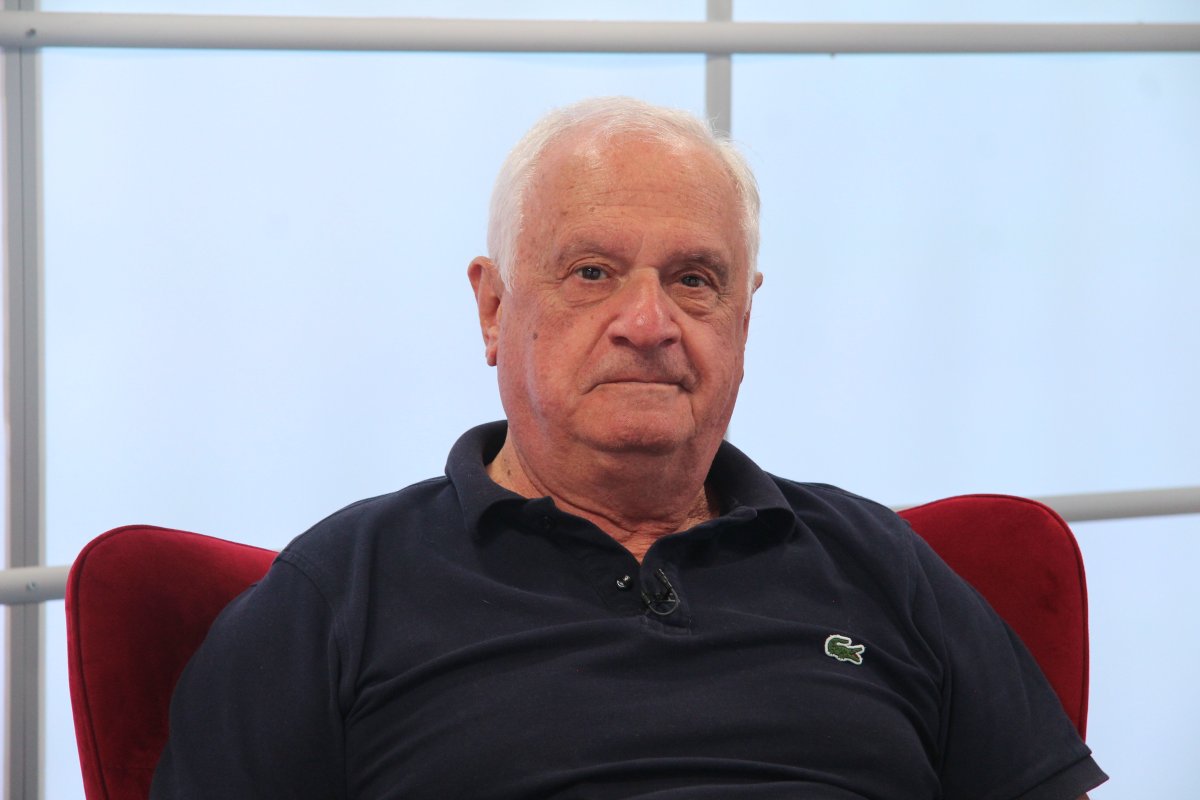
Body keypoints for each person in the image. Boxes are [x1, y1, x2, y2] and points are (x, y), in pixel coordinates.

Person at [151, 97, 1107, 799]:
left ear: (743, 320)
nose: (647, 323)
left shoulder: (881, 567)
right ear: (493, 309)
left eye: (694, 279)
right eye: (592, 272)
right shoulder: (340, 594)